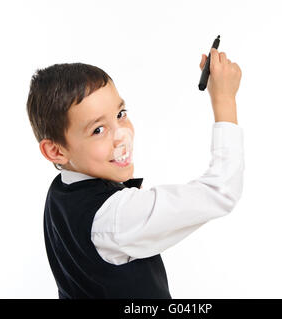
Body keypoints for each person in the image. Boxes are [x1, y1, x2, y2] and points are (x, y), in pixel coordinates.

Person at [26, 48, 244, 298]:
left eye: (120, 115)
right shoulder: (116, 217)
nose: (122, 136)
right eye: (98, 130)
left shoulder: (63, 187)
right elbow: (221, 192)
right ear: (55, 151)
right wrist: (225, 99)